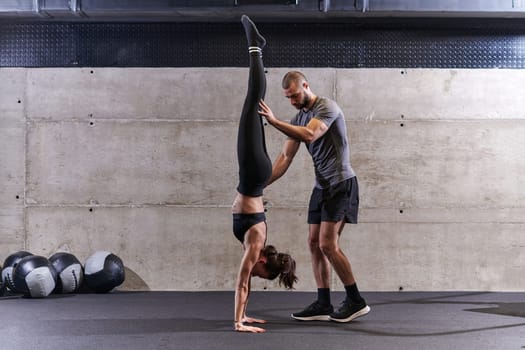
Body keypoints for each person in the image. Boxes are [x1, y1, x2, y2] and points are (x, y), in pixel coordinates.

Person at [258, 71, 370, 323]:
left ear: (306, 86)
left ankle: (355, 300)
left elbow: (310, 135)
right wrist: (261, 185)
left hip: (341, 184)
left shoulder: (326, 107)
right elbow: (285, 157)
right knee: (313, 243)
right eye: (288, 98)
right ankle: (323, 302)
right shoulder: (299, 116)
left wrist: (273, 121)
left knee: (328, 244)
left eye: (295, 95)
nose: (293, 101)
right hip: (321, 187)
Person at [232, 15, 298, 333]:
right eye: (262, 274)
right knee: (251, 104)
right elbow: (243, 282)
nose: (255, 276)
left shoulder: (258, 244)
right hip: (254, 173)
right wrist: (238, 322)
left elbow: (248, 281)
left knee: (252, 105)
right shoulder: (256, 244)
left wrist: (246, 315)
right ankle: (256, 45)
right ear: (263, 263)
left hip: (255, 177)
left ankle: (259, 47)